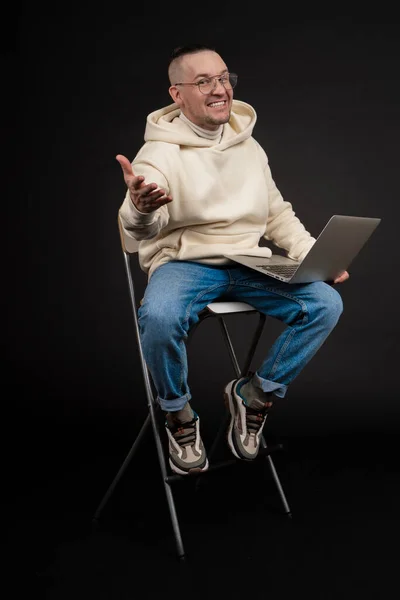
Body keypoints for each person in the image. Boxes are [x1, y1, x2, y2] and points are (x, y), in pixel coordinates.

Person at [117, 44, 349, 476]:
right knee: (160, 314)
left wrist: (312, 256)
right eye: (203, 82)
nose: (219, 89)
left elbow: (275, 212)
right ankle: (178, 414)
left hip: (247, 264)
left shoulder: (249, 146)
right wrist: (142, 207)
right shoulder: (159, 155)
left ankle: (255, 395)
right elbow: (141, 228)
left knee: (325, 303)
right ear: (177, 94)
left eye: (223, 78)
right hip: (187, 265)